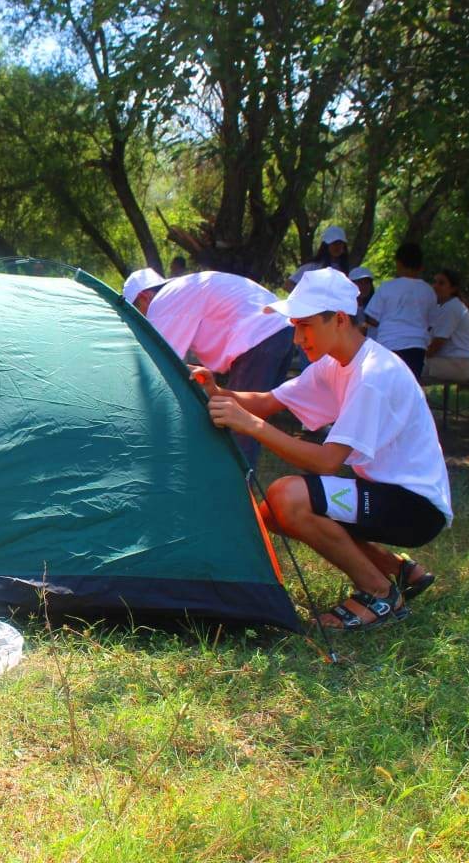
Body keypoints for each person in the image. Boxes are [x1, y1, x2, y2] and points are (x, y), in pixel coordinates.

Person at [191, 268, 451, 630]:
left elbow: (328, 462)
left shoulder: (372, 375)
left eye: (305, 326)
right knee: (272, 515)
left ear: (340, 319)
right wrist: (216, 392)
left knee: (288, 497)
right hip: (389, 495)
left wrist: (249, 425)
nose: (297, 338)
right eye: (295, 326)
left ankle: (379, 593)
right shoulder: (335, 363)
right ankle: (400, 571)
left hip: (415, 507)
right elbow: (268, 402)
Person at [123, 268, 294, 468]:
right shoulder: (183, 290)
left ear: (144, 297)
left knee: (239, 425)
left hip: (260, 338)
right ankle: (242, 486)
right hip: (282, 331)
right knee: (250, 422)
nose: (140, 319)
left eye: (136, 311)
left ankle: (234, 491)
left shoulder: (161, 302)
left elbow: (160, 368)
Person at [364, 242, 436, 379]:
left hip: (389, 344)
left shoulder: (387, 287)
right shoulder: (428, 291)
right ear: (421, 266)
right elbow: (431, 322)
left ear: (398, 263)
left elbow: (371, 317)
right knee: (410, 387)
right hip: (417, 346)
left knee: (387, 386)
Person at [424, 269, 469, 383]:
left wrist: (421, 355)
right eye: (435, 282)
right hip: (451, 362)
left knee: (412, 366)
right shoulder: (446, 307)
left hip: (457, 364)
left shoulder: (451, 308)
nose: (435, 286)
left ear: (453, 288)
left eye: (441, 283)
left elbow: (437, 343)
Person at [286, 225, 351, 290]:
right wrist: (306, 296)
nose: (337, 247)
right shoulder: (312, 267)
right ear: (326, 245)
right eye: (334, 243)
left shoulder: (347, 270)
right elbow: (288, 285)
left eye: (340, 243)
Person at [348, 265, 377, 338]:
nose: (364, 286)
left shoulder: (376, 305)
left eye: (367, 282)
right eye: (360, 282)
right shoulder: (343, 307)